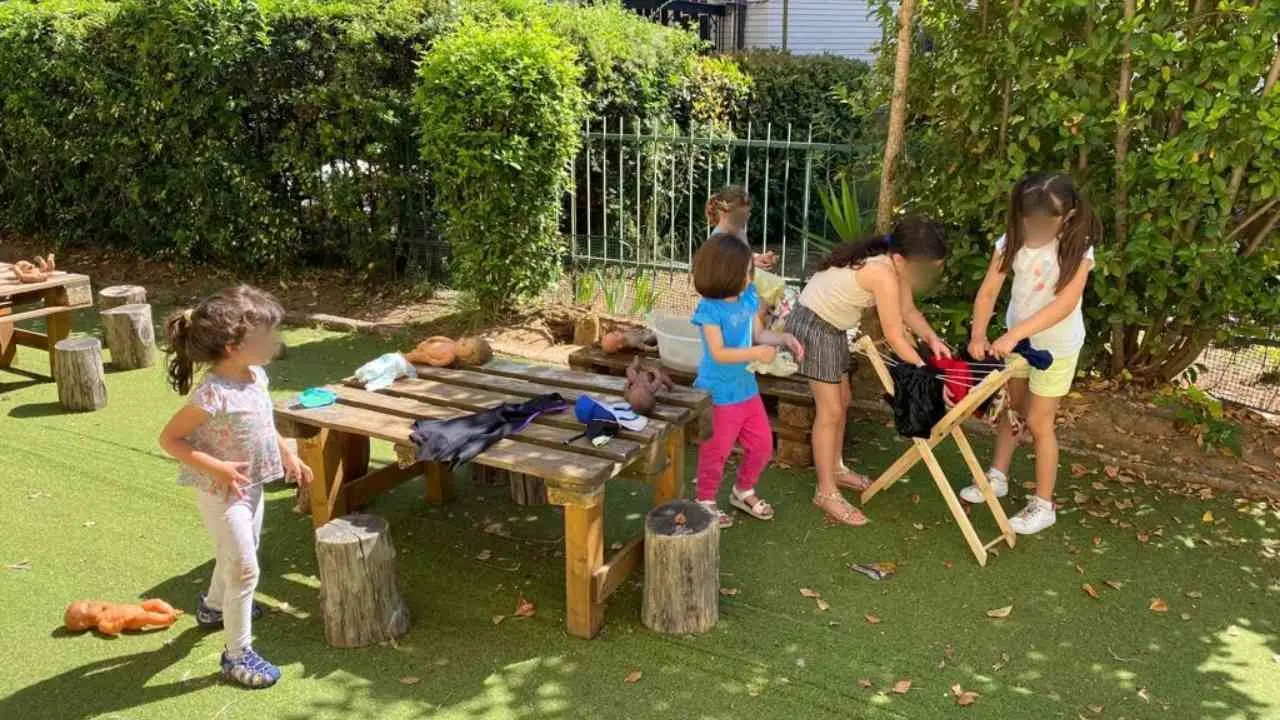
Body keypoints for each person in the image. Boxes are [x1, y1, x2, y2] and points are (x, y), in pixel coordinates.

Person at [157, 286, 312, 689]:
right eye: (266, 336)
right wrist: (219, 468)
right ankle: (236, 654)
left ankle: (211, 608)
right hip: (221, 492)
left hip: (252, 484)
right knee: (245, 569)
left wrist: (287, 454)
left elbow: (264, 421)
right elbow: (170, 440)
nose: (275, 343)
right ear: (232, 346)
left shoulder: (256, 375)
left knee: (240, 554)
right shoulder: (213, 394)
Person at [961, 172, 1101, 535]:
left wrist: (1014, 334)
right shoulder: (1011, 243)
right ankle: (998, 476)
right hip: (1018, 341)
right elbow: (989, 291)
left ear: (1067, 217)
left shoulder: (1078, 248)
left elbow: (1065, 305)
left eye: (1045, 223)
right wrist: (978, 333)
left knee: (1039, 423)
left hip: (1057, 347)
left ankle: (1043, 504)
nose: (1034, 230)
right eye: (1028, 221)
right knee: (1012, 410)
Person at [787, 216, 950, 527]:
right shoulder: (883, 274)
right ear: (902, 259)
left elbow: (908, 312)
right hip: (813, 326)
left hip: (832, 329)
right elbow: (894, 334)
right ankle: (826, 491)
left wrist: (931, 337)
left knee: (842, 401)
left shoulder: (896, 268)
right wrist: (924, 368)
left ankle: (835, 468)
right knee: (830, 411)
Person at [690, 233, 804, 526]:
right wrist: (757, 352)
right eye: (747, 271)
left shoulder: (747, 299)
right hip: (718, 393)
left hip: (746, 389)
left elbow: (758, 334)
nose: (751, 276)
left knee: (763, 445)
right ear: (727, 273)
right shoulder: (709, 310)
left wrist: (783, 338)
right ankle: (704, 500)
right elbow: (718, 353)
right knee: (716, 452)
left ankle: (743, 490)